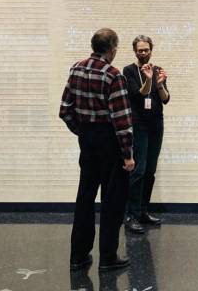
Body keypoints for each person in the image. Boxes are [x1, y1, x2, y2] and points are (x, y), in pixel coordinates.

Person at [59, 28, 135, 271]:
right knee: (112, 202)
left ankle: (78, 256)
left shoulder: (76, 69)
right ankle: (108, 258)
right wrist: (128, 155)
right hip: (110, 142)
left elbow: (65, 110)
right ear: (112, 49)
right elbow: (122, 121)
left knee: (85, 197)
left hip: (88, 140)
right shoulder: (113, 76)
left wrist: (82, 131)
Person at [123, 35, 170, 233]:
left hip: (156, 125)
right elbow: (137, 94)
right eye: (140, 50)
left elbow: (166, 98)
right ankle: (131, 215)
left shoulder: (158, 69)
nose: (143, 53)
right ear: (135, 51)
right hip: (139, 125)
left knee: (150, 171)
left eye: (146, 49)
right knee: (139, 170)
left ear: (151, 50)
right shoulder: (129, 71)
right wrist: (149, 81)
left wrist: (159, 84)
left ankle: (143, 211)